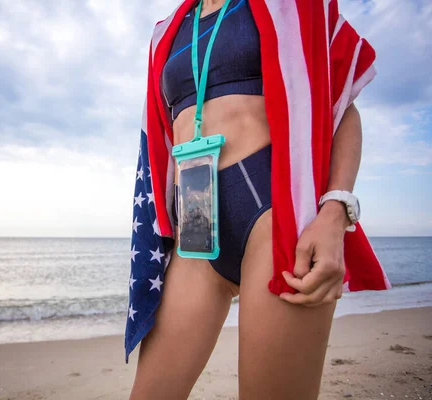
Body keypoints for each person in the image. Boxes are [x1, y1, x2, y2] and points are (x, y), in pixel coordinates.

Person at [125, 0, 391, 398]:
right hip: (196, 222)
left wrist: (335, 212)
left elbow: (342, 105)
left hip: (275, 214)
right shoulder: (167, 32)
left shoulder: (292, 5)